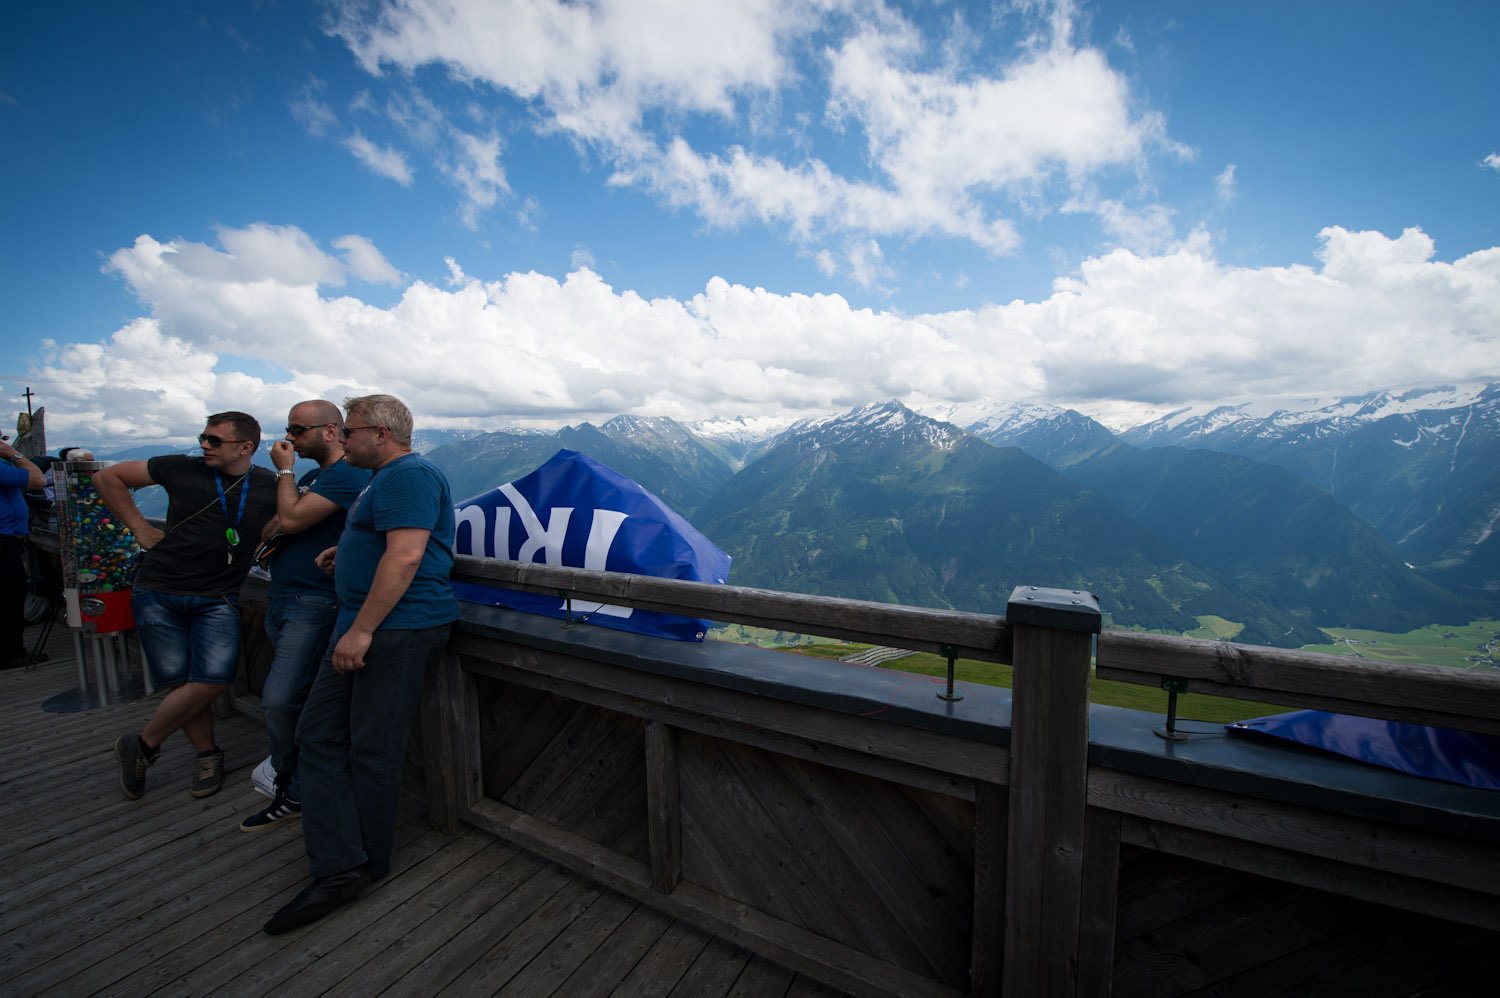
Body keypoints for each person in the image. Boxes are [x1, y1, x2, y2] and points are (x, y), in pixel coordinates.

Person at [264, 394, 457, 935]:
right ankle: (342, 857)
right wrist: (347, 550)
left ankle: (357, 865)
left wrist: (363, 629)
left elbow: (408, 554)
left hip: (395, 629)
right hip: (365, 624)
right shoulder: (381, 478)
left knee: (373, 746)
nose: (342, 439)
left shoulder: (409, 475)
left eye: (349, 432)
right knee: (318, 733)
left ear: (381, 434)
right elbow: (386, 542)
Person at [94, 412, 278, 799]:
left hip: (217, 596)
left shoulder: (267, 485)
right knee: (182, 683)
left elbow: (283, 523)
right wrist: (140, 528)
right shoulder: (179, 467)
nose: (204, 446)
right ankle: (208, 755)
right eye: (203, 438)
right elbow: (107, 477)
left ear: (246, 447)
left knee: (211, 680)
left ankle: (141, 745)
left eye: (215, 440)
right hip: (158, 590)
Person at [239, 401, 369, 832]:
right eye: (289, 429)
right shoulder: (317, 479)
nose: (289, 438)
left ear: (331, 431)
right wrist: (289, 511)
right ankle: (300, 779)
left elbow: (290, 521)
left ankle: (292, 784)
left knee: (279, 698)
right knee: (295, 696)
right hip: (284, 596)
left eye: (298, 430)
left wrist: (284, 473)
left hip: (315, 602)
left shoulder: (346, 475)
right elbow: (273, 527)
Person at [0, 438, 46, 669]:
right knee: (9, 596)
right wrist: (14, 454)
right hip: (3, 540)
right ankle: (10, 653)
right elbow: (38, 480)